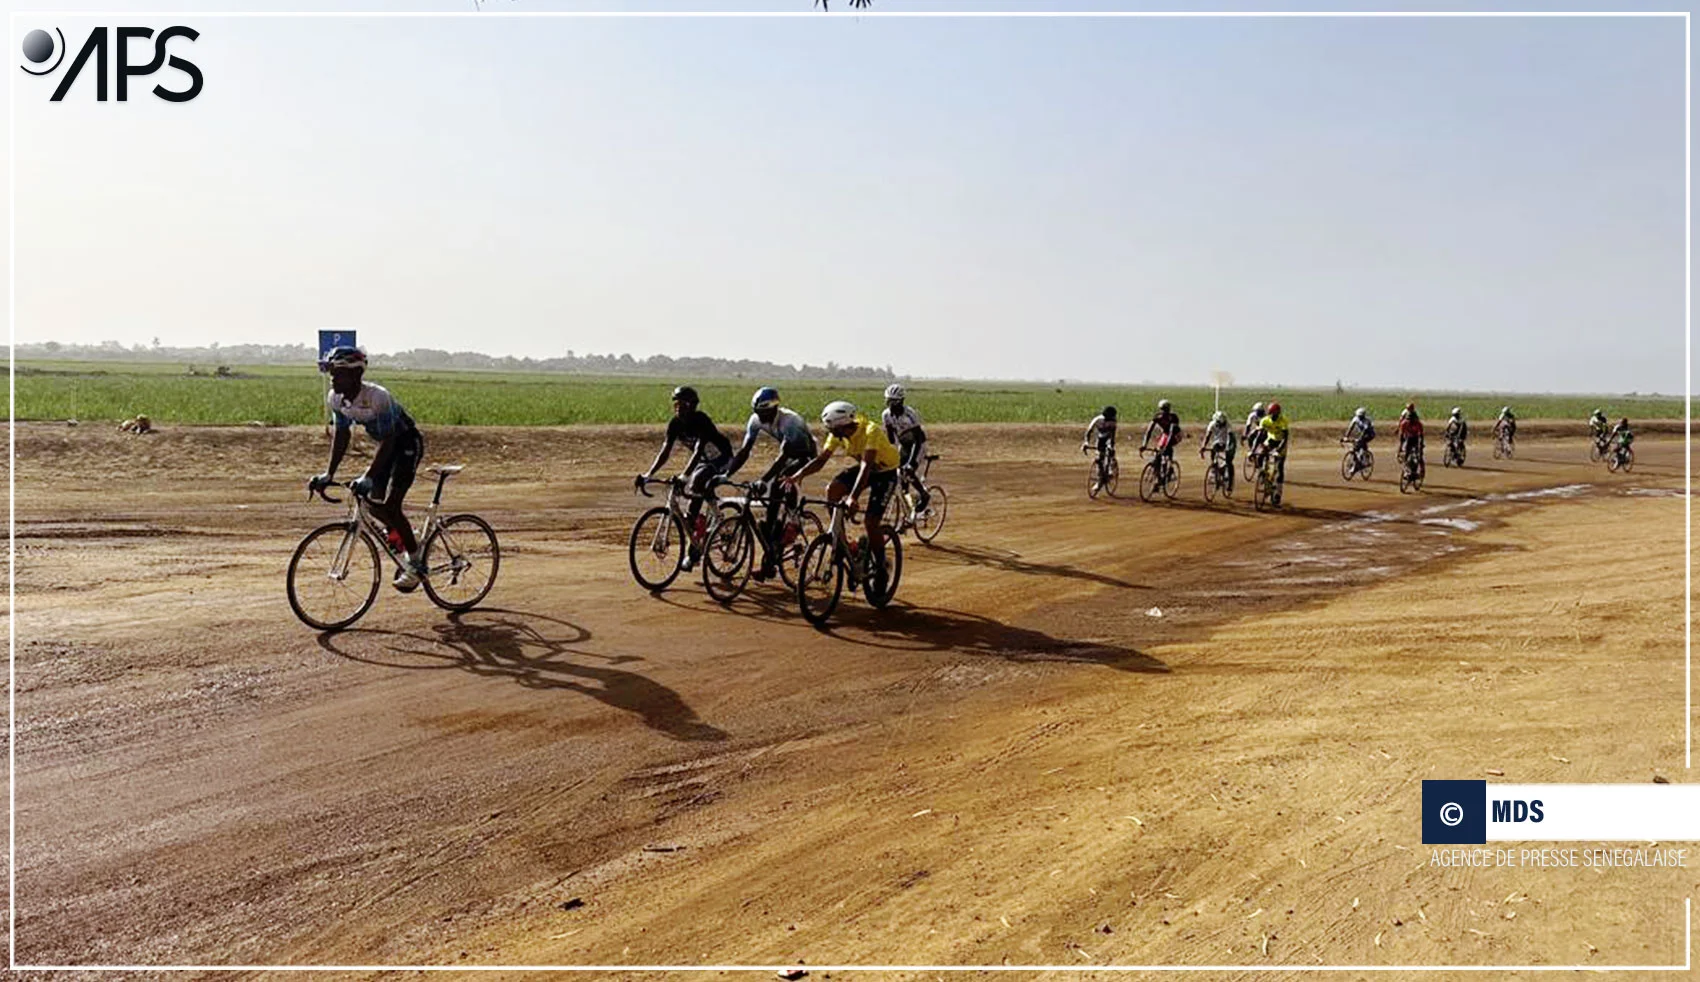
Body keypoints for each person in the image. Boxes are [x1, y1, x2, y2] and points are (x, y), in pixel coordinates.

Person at [309, 346, 428, 591]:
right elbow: (341, 435)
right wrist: (329, 473)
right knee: (373, 504)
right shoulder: (336, 397)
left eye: (338, 372)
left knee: (392, 505)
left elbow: (390, 439)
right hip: (386, 446)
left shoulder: (377, 397)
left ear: (355, 375)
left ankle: (416, 564)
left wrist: (368, 475)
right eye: (331, 371)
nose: (332, 377)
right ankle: (407, 536)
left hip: (405, 443)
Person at [782, 400, 902, 586]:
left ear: (843, 425)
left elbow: (866, 465)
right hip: (867, 469)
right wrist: (797, 476)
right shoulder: (839, 435)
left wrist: (853, 497)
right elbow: (821, 460)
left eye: (832, 429)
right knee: (833, 490)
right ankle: (843, 541)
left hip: (885, 473)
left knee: (871, 522)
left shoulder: (871, 431)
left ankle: (880, 567)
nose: (830, 433)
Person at [636, 385, 734, 571]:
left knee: (696, 481)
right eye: (676, 403)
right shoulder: (675, 424)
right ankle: (697, 540)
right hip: (704, 461)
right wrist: (649, 474)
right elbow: (665, 451)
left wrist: (684, 476)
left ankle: (699, 545)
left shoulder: (701, 420)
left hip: (722, 457)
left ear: (692, 405)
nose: (678, 407)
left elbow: (698, 450)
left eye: (682, 403)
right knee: (692, 505)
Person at [726, 386, 819, 581]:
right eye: (757, 413)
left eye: (764, 413)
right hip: (786, 454)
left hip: (805, 455)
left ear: (774, 409)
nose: (760, 417)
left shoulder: (790, 421)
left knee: (781, 481)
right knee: (769, 519)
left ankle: (794, 521)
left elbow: (784, 457)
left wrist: (763, 480)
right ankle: (769, 560)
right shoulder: (756, 420)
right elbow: (744, 451)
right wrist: (727, 474)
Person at [881, 383, 932, 514]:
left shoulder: (910, 414)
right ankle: (909, 510)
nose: (890, 405)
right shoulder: (886, 415)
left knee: (908, 472)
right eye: (888, 401)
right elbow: (891, 439)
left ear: (901, 401)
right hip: (904, 446)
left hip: (918, 445)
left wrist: (910, 463)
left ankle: (924, 494)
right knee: (900, 479)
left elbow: (917, 438)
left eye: (894, 402)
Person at [1257, 401, 1291, 500]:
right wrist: (1253, 449)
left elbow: (1285, 438)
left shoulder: (1283, 421)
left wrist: (1279, 450)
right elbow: (1259, 437)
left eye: (1274, 414)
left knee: (1279, 467)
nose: (1272, 416)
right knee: (1260, 455)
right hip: (1271, 441)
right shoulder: (1264, 421)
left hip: (1281, 443)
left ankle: (1278, 492)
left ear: (1278, 413)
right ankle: (1263, 474)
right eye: (1270, 414)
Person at [1199, 409, 1237, 492]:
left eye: (1222, 424)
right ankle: (1215, 469)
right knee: (1213, 452)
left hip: (1228, 442)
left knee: (1229, 461)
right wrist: (1203, 446)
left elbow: (1230, 437)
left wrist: (1229, 449)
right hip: (1217, 442)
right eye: (1220, 424)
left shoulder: (1228, 425)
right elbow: (1207, 436)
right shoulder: (1212, 424)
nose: (1221, 426)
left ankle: (1230, 482)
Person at [1082, 406, 1118, 490]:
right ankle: (1100, 479)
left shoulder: (1113, 422)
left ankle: (1110, 468)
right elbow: (1089, 431)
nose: (1110, 421)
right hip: (1100, 437)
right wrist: (1086, 442)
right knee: (1099, 458)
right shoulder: (1098, 420)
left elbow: (1112, 436)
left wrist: (1111, 446)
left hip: (1108, 437)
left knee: (1110, 451)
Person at [1144, 399, 1183, 463]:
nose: (1165, 412)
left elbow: (1171, 433)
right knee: (1158, 452)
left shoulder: (1173, 417)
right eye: (1163, 409)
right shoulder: (1157, 417)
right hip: (1166, 433)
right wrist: (1144, 445)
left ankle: (1169, 466)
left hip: (1176, 434)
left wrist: (1166, 446)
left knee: (1167, 448)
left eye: (1166, 410)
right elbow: (1149, 431)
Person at [1397, 404, 1425, 472]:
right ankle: (1406, 468)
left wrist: (1421, 445)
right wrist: (1400, 447)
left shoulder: (1418, 423)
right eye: (1409, 420)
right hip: (1408, 437)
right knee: (1406, 452)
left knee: (1419, 455)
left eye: (1412, 420)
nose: (1410, 421)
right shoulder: (1404, 423)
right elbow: (1401, 434)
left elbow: (1421, 435)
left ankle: (1422, 469)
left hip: (1416, 438)